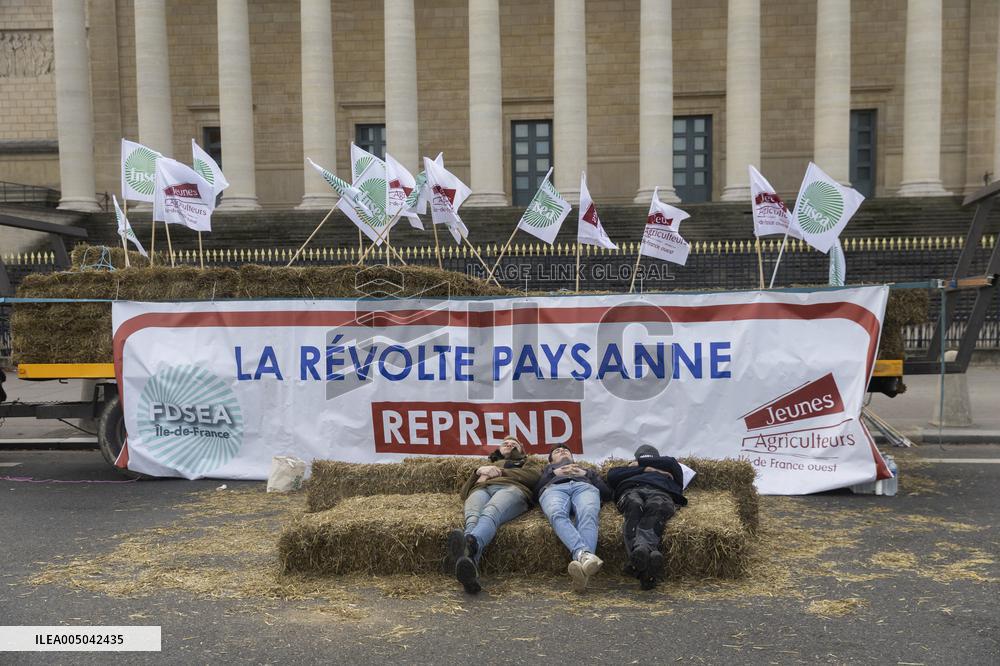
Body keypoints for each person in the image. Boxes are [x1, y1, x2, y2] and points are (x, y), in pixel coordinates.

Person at [445, 436, 542, 594]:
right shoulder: (487, 465)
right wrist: (478, 472)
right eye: (505, 443)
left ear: (521, 449)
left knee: (491, 511)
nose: (509, 444)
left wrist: (500, 472)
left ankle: (470, 546)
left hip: (510, 489)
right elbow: (464, 493)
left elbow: (534, 477)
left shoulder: (527, 461)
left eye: (514, 444)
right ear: (499, 448)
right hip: (481, 489)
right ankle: (470, 567)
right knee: (472, 519)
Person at [605, 444, 688, 590]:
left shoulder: (668, 465)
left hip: (661, 492)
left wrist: (646, 466)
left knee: (656, 508)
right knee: (635, 506)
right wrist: (642, 469)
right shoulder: (629, 468)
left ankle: (639, 560)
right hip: (631, 490)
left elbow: (671, 462)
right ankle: (648, 563)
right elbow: (611, 476)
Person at [535, 444, 611, 592]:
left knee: (588, 512)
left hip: (583, 488)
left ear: (572, 457)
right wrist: (553, 474)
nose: (562, 451)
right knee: (556, 513)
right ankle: (585, 557)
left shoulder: (587, 470)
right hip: (553, 490)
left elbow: (607, 493)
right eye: (557, 451)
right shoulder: (547, 471)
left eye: (566, 450)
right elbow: (534, 493)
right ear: (550, 461)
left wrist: (585, 473)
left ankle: (582, 562)